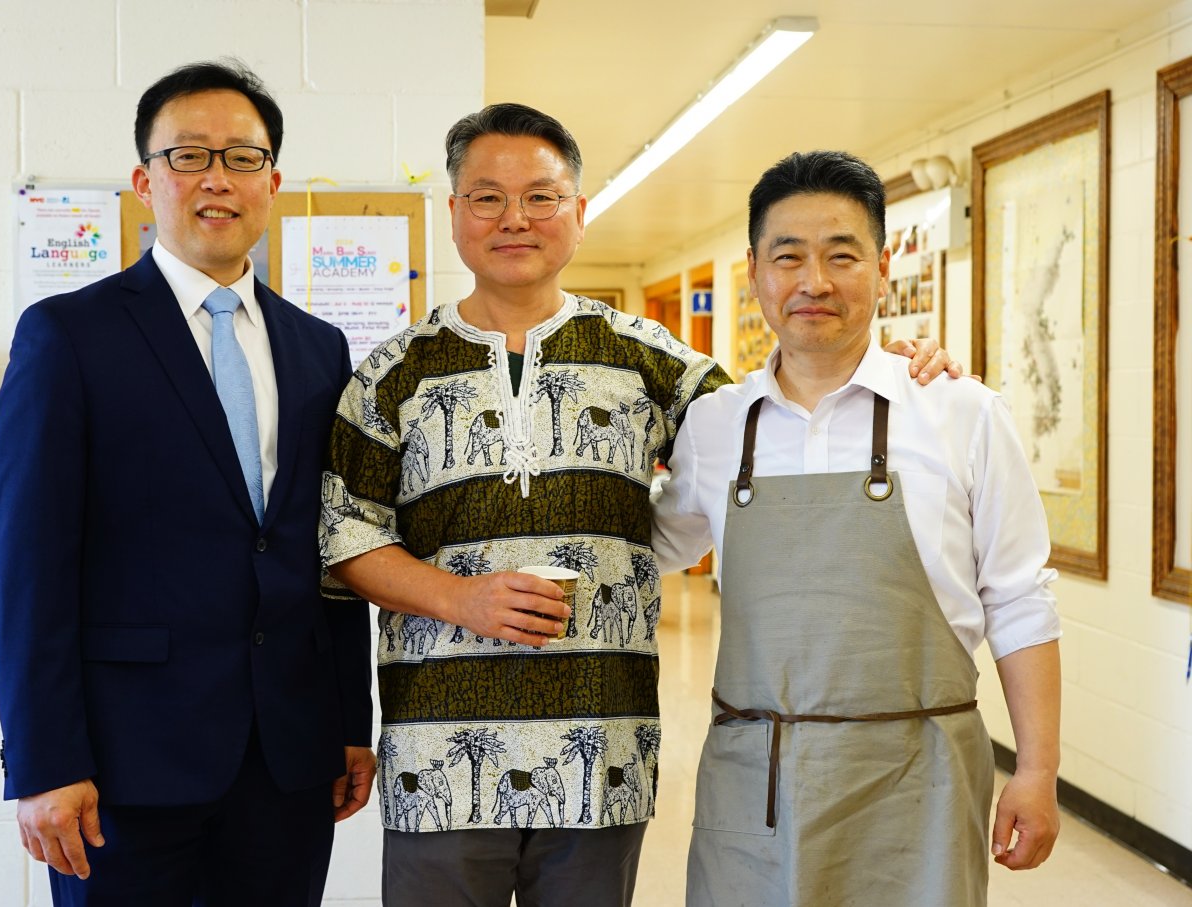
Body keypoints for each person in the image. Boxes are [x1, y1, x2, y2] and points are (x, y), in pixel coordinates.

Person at [318, 104, 959, 907]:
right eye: (487, 197)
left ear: (579, 212)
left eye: (541, 197)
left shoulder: (651, 359)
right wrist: (460, 598)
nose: (515, 218)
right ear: (454, 213)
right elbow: (345, 536)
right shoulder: (390, 374)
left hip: (603, 756)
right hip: (439, 759)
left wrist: (891, 365)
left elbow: (786, 419)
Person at [0, 60, 374, 907]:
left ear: (272, 183)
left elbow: (328, 550)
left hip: (288, 757)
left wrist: (350, 721)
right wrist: (45, 760)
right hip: (124, 764)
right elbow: (26, 566)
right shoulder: (69, 336)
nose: (216, 179)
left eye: (242, 157)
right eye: (189, 155)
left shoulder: (319, 348)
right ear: (145, 181)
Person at [651, 150, 1062, 907]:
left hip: (920, 776)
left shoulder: (961, 412)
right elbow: (641, 552)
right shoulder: (715, 427)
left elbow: (1019, 598)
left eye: (841, 255)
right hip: (757, 778)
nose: (814, 281)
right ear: (756, 273)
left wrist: (1037, 769)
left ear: (881, 268)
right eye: (788, 257)